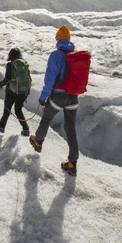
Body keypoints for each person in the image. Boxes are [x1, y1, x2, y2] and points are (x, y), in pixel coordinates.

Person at [29, 25, 80, 177]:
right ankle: (72, 164)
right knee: (70, 128)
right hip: (73, 97)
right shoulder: (76, 55)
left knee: (46, 119)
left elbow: (50, 79)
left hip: (58, 96)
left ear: (58, 39)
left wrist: (43, 97)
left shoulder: (56, 55)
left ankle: (38, 141)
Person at [0, 47, 31, 137]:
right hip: (22, 91)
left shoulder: (11, 65)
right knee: (18, 110)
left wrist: (0, 84)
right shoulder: (24, 64)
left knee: (7, 109)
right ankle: (26, 129)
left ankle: (2, 127)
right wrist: (27, 92)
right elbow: (29, 79)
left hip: (11, 91)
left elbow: (8, 79)